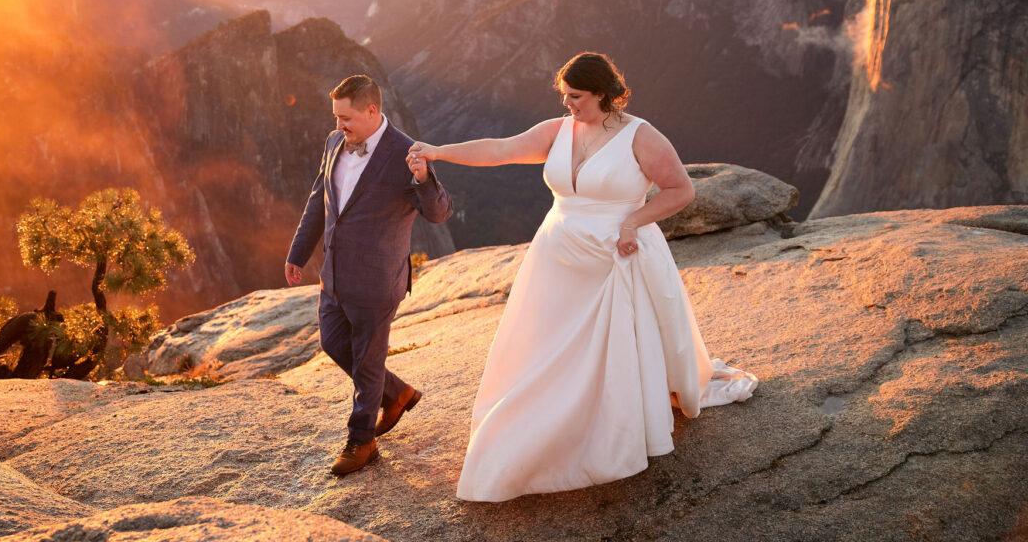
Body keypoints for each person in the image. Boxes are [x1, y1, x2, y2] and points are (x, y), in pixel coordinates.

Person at [407, 52, 757, 502]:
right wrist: (439, 152)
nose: (568, 104)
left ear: (603, 94)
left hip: (616, 256)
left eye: (576, 97)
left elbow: (681, 190)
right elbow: (500, 149)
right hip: (558, 256)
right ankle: (544, 422)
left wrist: (633, 222)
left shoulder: (641, 136)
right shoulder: (559, 131)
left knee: (611, 347)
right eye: (564, 96)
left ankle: (608, 425)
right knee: (548, 345)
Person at [286, 74, 453, 476]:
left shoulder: (406, 153)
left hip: (378, 279)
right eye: (336, 118)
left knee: (368, 356)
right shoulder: (333, 142)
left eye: (345, 118)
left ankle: (361, 441)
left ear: (372, 111)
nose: (338, 125)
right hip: (334, 274)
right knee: (333, 343)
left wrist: (423, 178)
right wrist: (298, 252)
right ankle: (396, 394)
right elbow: (318, 200)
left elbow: (439, 212)